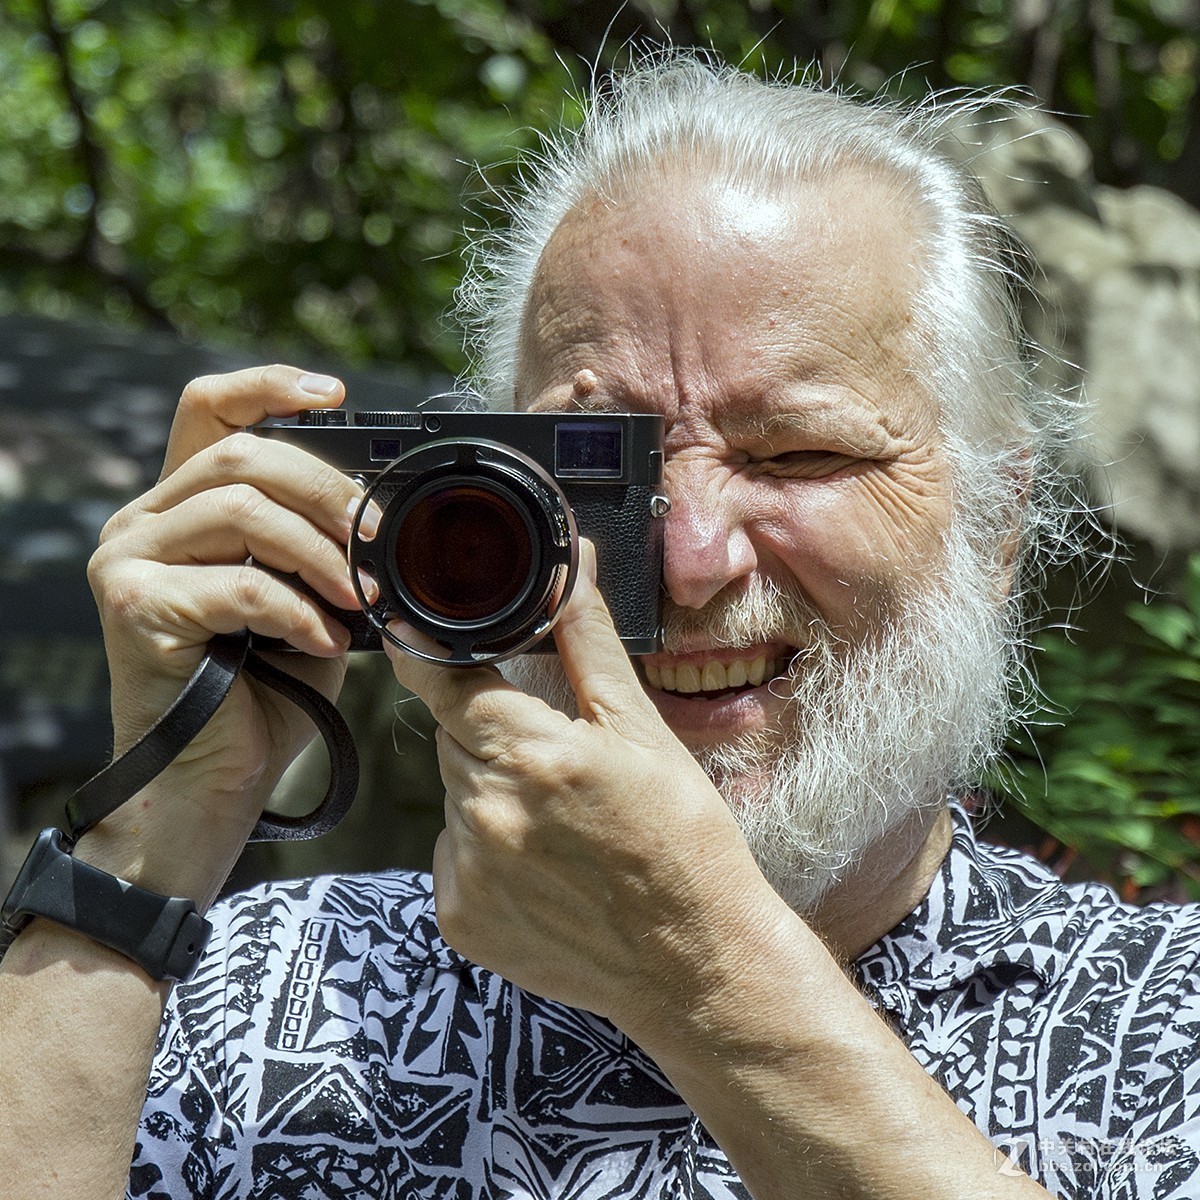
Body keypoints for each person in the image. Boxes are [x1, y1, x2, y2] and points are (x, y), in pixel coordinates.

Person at [2, 53, 1198, 1200]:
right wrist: (145, 847)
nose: (688, 561)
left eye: (800, 454)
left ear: (996, 525)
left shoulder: (1157, 1027)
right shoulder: (255, 991)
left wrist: (705, 979)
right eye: (592, 467)